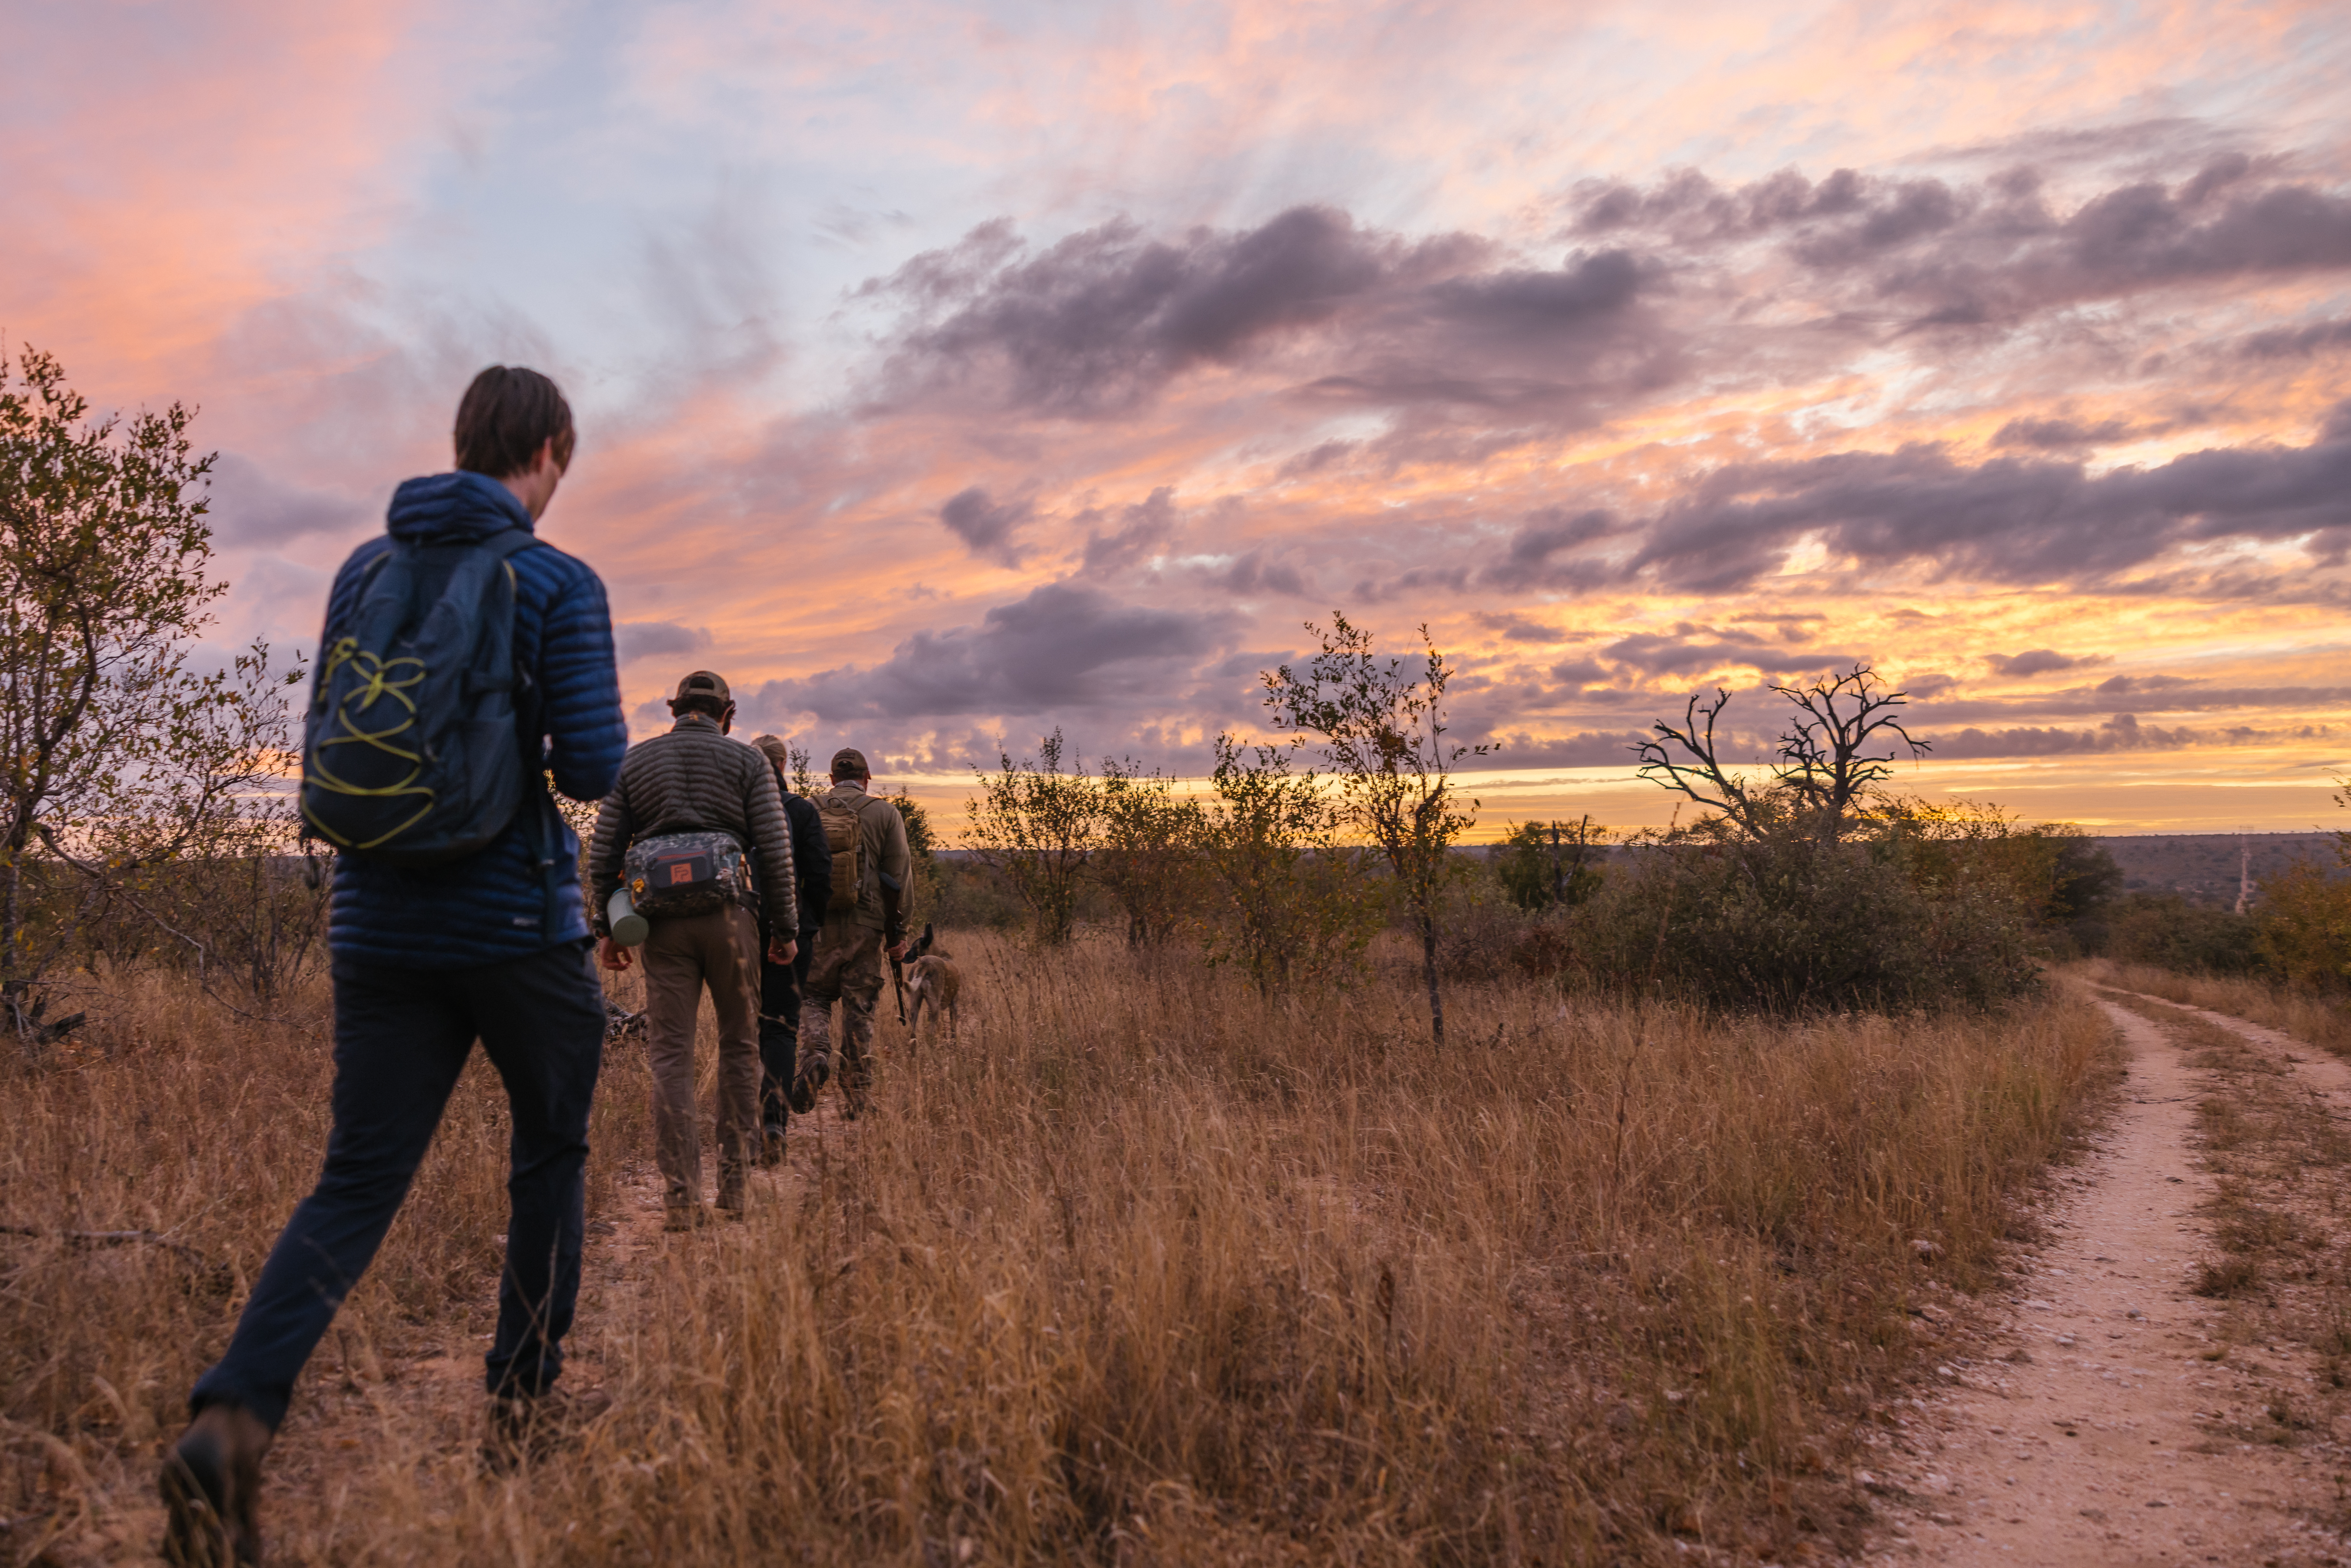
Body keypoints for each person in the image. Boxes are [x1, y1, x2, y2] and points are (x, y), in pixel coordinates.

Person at [162, 367, 628, 1564]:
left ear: (460, 442)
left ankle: (233, 1414)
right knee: (551, 1150)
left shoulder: (362, 572)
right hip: (517, 928)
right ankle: (520, 1410)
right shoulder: (556, 580)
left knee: (357, 1180)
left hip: (374, 925)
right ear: (550, 451)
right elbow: (587, 769)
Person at [585, 672, 797, 1229]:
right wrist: (785, 930)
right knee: (738, 1047)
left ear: (672, 708)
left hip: (661, 924)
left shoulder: (635, 762)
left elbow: (603, 850)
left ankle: (681, 1199)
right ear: (729, 712)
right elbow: (775, 852)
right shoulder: (749, 764)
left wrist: (604, 927)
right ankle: (733, 1191)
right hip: (732, 919)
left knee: (671, 1055)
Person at [790, 748, 912, 1119]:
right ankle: (857, 1098)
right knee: (860, 1007)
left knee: (812, 997)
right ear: (867, 778)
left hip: (816, 924)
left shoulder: (807, 809)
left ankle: (815, 1053)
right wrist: (898, 934)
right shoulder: (884, 813)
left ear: (830, 780)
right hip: (866, 924)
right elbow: (899, 877)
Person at [748, 735, 832, 1163]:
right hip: (791, 931)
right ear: (782, 764)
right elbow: (819, 872)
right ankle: (773, 1123)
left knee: (741, 1027)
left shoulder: (735, 810)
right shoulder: (800, 811)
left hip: (740, 929)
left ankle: (742, 1127)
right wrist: (809, 922)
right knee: (781, 1028)